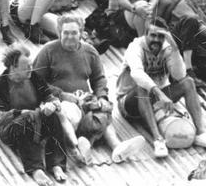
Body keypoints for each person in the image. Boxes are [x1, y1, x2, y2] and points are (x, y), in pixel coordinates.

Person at [33, 15, 145, 163]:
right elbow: (35, 81)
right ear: (59, 32)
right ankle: (81, 145)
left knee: (102, 111)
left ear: (81, 33)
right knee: (74, 117)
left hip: (85, 100)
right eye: (66, 33)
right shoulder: (48, 51)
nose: (70, 37)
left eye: (74, 33)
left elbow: (99, 78)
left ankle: (116, 147)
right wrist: (63, 95)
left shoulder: (89, 51)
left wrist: (102, 97)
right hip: (60, 103)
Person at [116, 19, 206, 157]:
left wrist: (175, 49)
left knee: (188, 82)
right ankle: (158, 140)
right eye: (153, 35)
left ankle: (200, 133)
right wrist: (159, 93)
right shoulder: (135, 47)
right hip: (129, 102)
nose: (156, 40)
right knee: (142, 87)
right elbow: (137, 73)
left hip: (156, 100)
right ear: (145, 34)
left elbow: (179, 75)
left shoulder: (167, 47)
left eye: (160, 36)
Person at [0, 45, 68, 186]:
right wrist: (20, 113)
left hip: (34, 121)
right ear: (13, 67)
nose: (31, 69)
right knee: (25, 120)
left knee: (53, 117)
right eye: (26, 67)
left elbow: (48, 94)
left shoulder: (33, 77)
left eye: (31, 65)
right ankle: (36, 169)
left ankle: (56, 163)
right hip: (12, 129)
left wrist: (52, 104)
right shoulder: (0, 84)